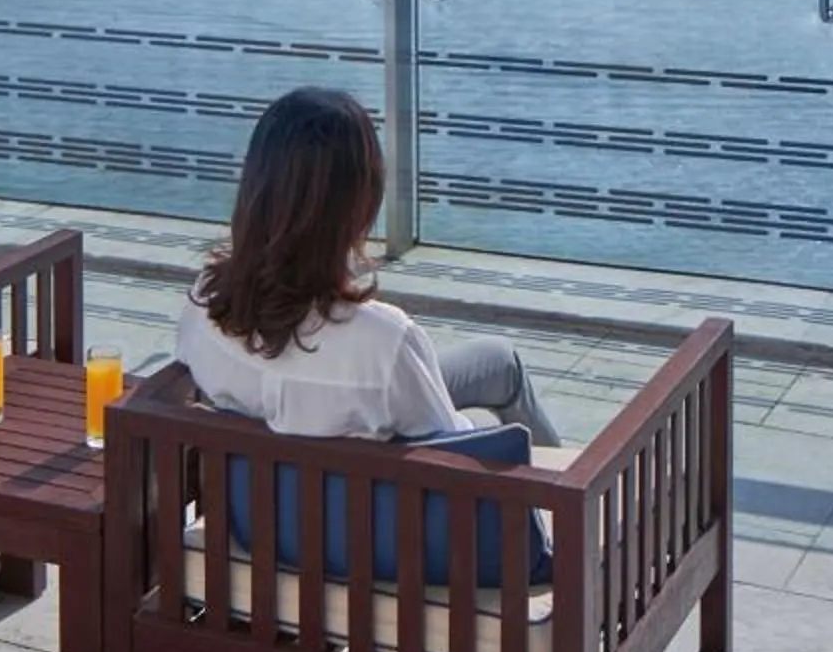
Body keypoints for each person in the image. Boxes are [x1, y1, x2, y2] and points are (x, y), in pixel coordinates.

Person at [174, 86, 560, 442]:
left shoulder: (205, 297)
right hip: (367, 497)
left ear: (254, 186)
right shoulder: (386, 341)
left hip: (265, 497)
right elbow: (448, 450)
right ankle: (570, 495)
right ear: (360, 203)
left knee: (497, 361)